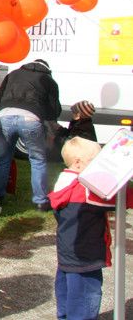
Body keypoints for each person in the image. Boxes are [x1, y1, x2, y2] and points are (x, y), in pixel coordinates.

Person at [49, 136, 132, 320]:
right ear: (78, 163)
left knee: (68, 294)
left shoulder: (64, 179)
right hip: (85, 256)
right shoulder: (86, 187)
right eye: (95, 162)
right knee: (85, 299)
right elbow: (121, 197)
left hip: (68, 252)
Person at [0, 58, 61, 211]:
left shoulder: (13, 74)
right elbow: (53, 109)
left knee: (3, 158)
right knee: (37, 159)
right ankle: (41, 201)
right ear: (46, 69)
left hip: (5, 116)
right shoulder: (48, 80)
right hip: (31, 118)